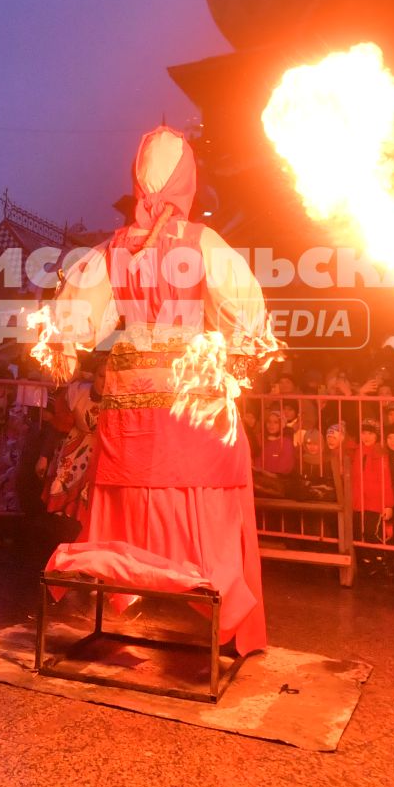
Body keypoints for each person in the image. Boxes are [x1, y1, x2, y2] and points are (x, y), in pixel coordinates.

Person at [28, 127, 277, 654]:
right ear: (188, 181)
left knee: (128, 488)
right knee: (200, 494)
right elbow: (246, 313)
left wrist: (64, 349)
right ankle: (213, 596)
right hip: (193, 390)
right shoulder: (205, 243)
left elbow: (73, 324)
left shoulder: (111, 248)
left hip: (130, 389)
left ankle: (121, 582)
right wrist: (243, 353)